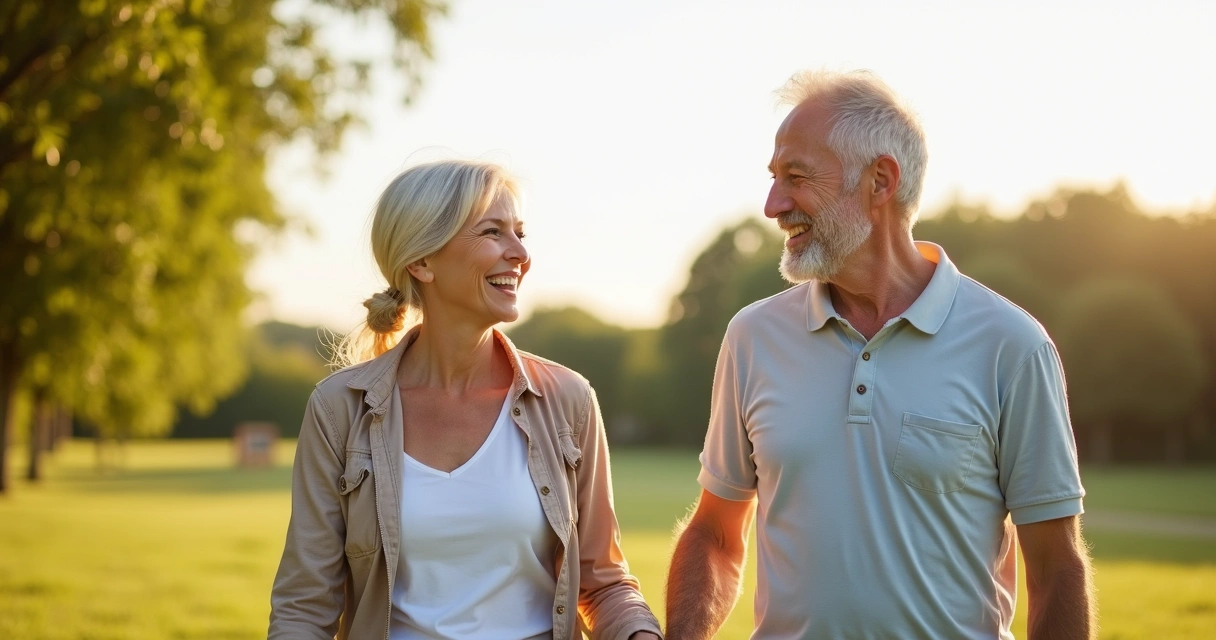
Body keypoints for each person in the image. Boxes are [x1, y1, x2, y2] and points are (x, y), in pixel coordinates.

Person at [665, 70, 1095, 639]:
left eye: (796, 177)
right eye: (773, 178)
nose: (773, 205)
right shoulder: (753, 336)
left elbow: (1056, 566)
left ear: (880, 181)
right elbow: (715, 535)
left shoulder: (1012, 345)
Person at [269, 159, 662, 640]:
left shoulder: (567, 400)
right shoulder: (339, 409)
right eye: (493, 232)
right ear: (422, 262)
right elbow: (304, 609)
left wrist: (640, 634)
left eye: (520, 232)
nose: (520, 253)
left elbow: (602, 585)